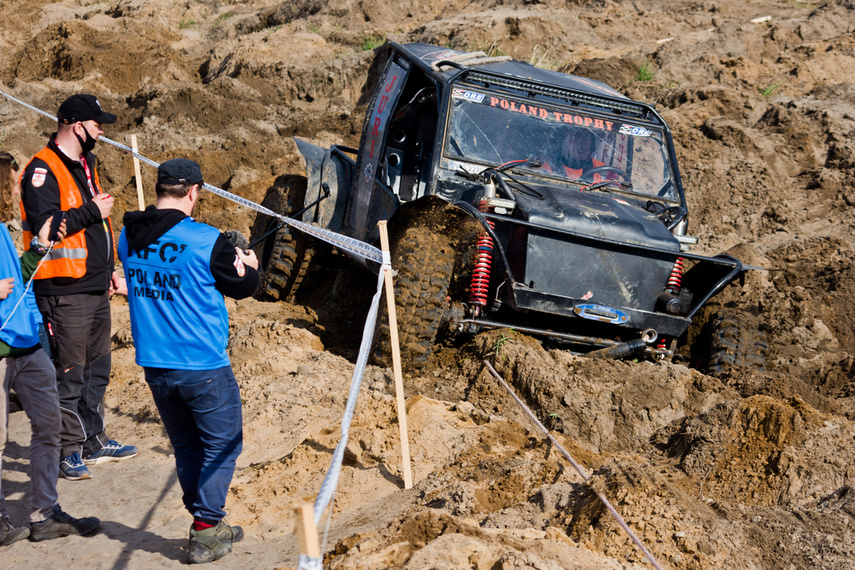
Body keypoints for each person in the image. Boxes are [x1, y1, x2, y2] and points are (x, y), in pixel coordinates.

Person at [118, 158, 259, 564]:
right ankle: (206, 528)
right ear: (194, 192)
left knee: (187, 447)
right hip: (202, 365)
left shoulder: (128, 236)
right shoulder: (205, 240)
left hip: (155, 363)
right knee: (223, 445)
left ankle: (206, 521)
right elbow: (245, 286)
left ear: (159, 189)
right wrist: (248, 263)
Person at [19, 94, 137, 482]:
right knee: (69, 373)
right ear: (77, 125)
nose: (102, 131)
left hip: (94, 284)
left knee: (97, 369)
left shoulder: (86, 163)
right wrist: (91, 212)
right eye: (97, 124)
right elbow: (46, 229)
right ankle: (66, 450)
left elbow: (95, 231)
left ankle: (92, 440)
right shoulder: (42, 169)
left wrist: (109, 271)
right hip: (62, 289)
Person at [1, 155, 100, 545]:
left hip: (26, 346)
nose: (17, 189)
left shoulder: (2, 230)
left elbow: (18, 278)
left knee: (48, 426)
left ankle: (44, 514)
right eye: (12, 182)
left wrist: (40, 247)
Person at [543, 127, 607, 181]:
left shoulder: (601, 169)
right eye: (576, 136)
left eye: (587, 136)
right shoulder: (549, 168)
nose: (584, 142)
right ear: (564, 142)